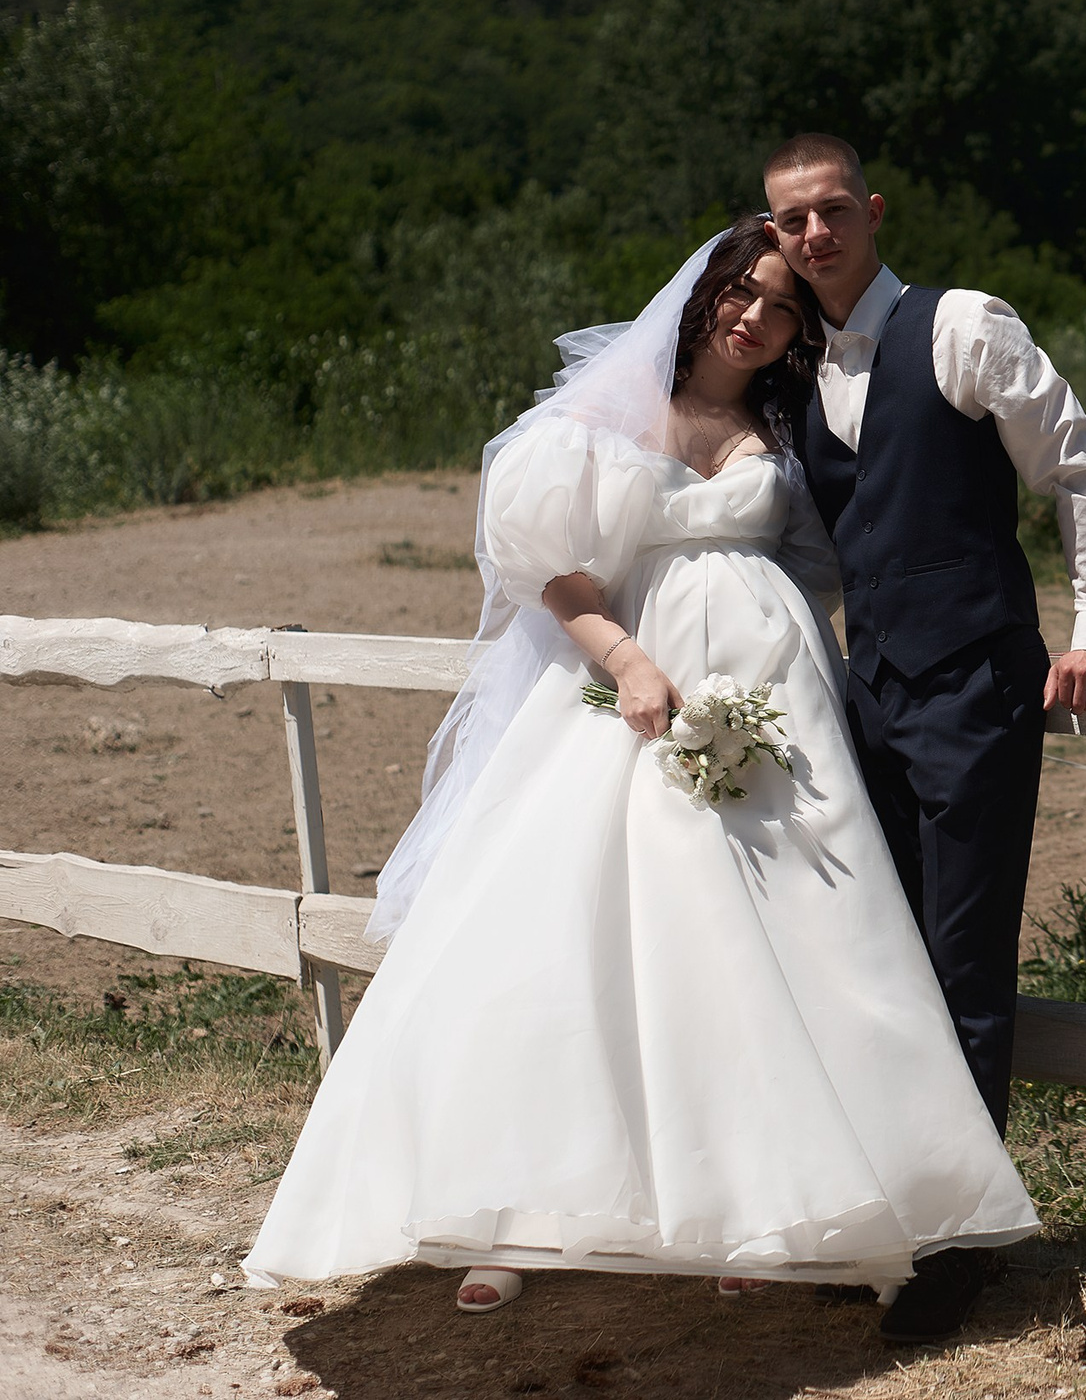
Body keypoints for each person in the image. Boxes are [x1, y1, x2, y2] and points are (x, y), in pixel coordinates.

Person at [244, 218, 1040, 1328]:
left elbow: (828, 554)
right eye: (741, 292)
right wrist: (625, 663)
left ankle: (759, 1208)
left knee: (779, 941)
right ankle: (503, 1209)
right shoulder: (610, 414)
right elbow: (545, 567)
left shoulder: (783, 423)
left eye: (780, 305)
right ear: (704, 294)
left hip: (776, 694)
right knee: (569, 934)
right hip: (637, 687)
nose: (755, 315)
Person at [762, 133, 1086, 1341]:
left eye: (831, 212)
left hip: (977, 684)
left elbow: (1079, 472)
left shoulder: (963, 325)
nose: (814, 235)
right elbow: (825, 549)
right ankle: (893, 1207)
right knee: (877, 958)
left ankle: (964, 1238)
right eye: (790, 223)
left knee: (963, 962)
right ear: (774, 238)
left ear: (871, 212)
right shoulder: (794, 370)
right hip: (867, 693)